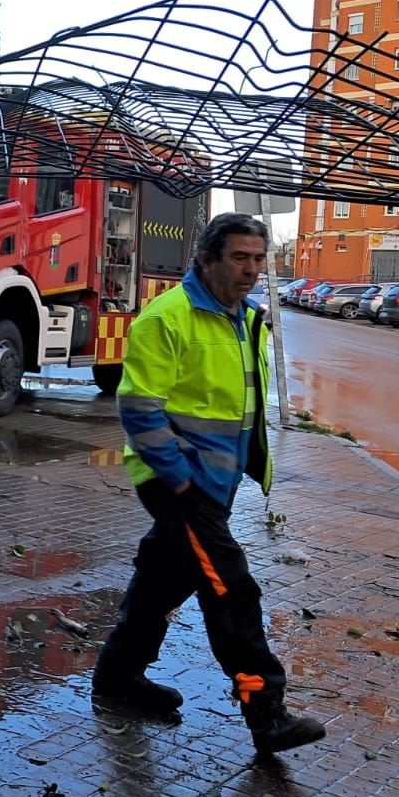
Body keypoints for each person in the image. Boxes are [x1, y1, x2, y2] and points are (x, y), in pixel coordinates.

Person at [91, 211, 325, 755]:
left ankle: (117, 678)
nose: (251, 270)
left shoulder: (246, 317)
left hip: (214, 484)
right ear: (206, 260)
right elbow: (139, 407)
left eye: (259, 259)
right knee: (231, 588)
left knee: (162, 579)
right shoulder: (168, 317)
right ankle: (265, 710)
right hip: (179, 481)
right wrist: (181, 482)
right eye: (239, 258)